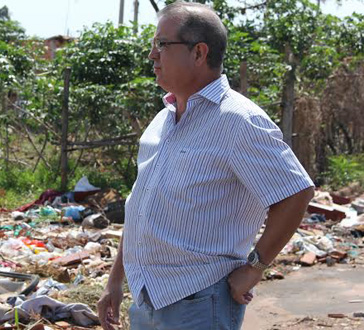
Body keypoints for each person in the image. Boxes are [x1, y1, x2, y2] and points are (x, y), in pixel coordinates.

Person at [96, 2, 315, 329]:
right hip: (146, 299)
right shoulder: (162, 121)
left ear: (199, 53)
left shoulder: (240, 121)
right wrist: (115, 281)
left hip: (199, 302)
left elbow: (296, 193)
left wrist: (255, 267)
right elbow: (140, 207)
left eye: (161, 45)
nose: (152, 56)